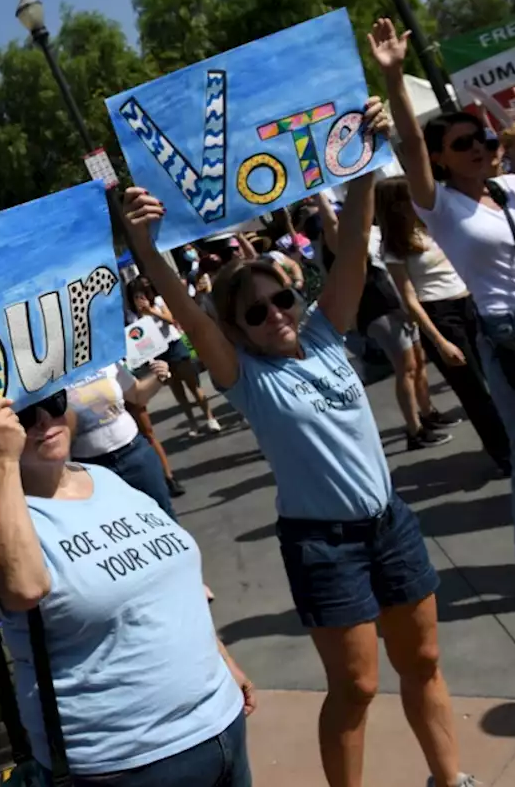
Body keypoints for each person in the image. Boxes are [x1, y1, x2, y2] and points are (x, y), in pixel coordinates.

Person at [123, 81, 475, 787]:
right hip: (323, 544)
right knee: (357, 689)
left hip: (391, 524)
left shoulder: (322, 331)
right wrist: (144, 246)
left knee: (424, 663)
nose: (275, 314)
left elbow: (350, 252)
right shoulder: (243, 374)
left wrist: (366, 161)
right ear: (238, 328)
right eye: (255, 312)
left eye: (281, 297)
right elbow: (193, 321)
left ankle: (451, 779)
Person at [0, 391, 254, 784]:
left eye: (54, 402)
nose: (45, 421)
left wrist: (220, 657)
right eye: (24, 416)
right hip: (127, 762)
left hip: (220, 722)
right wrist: (0, 461)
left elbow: (168, 582)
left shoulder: (105, 477)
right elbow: (23, 588)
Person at [380, 15, 515, 615]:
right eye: (463, 144)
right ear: (444, 161)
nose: (478, 148)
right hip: (507, 334)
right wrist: (396, 78)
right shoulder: (440, 206)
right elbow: (413, 143)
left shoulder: (512, 189)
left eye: (484, 140)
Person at [376, 176, 512, 474]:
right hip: (439, 316)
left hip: (472, 303)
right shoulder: (395, 246)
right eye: (409, 195)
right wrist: (439, 341)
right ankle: (506, 456)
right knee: (475, 391)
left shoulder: (433, 225)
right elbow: (410, 300)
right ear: (397, 204)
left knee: (504, 378)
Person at [318, 192, 456, 451]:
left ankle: (428, 413)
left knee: (417, 361)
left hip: (397, 306)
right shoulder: (343, 246)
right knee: (406, 368)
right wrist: (318, 195)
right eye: (339, 214)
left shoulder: (370, 236)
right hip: (378, 310)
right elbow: (331, 224)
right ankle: (414, 431)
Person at [66, 360, 176, 518]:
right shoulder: (49, 379)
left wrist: (160, 376)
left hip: (135, 454)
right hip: (93, 470)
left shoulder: (105, 360)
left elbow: (137, 395)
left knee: (163, 515)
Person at [128, 281, 222, 436]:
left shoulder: (158, 302)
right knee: (177, 390)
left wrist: (151, 311)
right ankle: (192, 423)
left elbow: (170, 319)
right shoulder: (133, 316)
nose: (139, 298)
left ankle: (210, 418)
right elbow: (137, 338)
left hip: (174, 345)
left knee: (193, 384)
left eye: (141, 294)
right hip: (159, 353)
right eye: (135, 296)